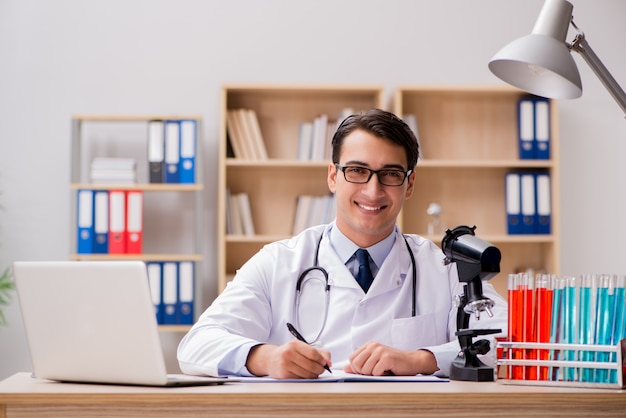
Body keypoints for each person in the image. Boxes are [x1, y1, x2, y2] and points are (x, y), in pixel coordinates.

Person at [177, 108, 507, 379]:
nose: (373, 191)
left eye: (390, 174)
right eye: (357, 171)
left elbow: (509, 339)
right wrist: (264, 358)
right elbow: (196, 346)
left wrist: (423, 360)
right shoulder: (278, 262)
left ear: (409, 185)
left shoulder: (443, 267)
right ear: (333, 177)